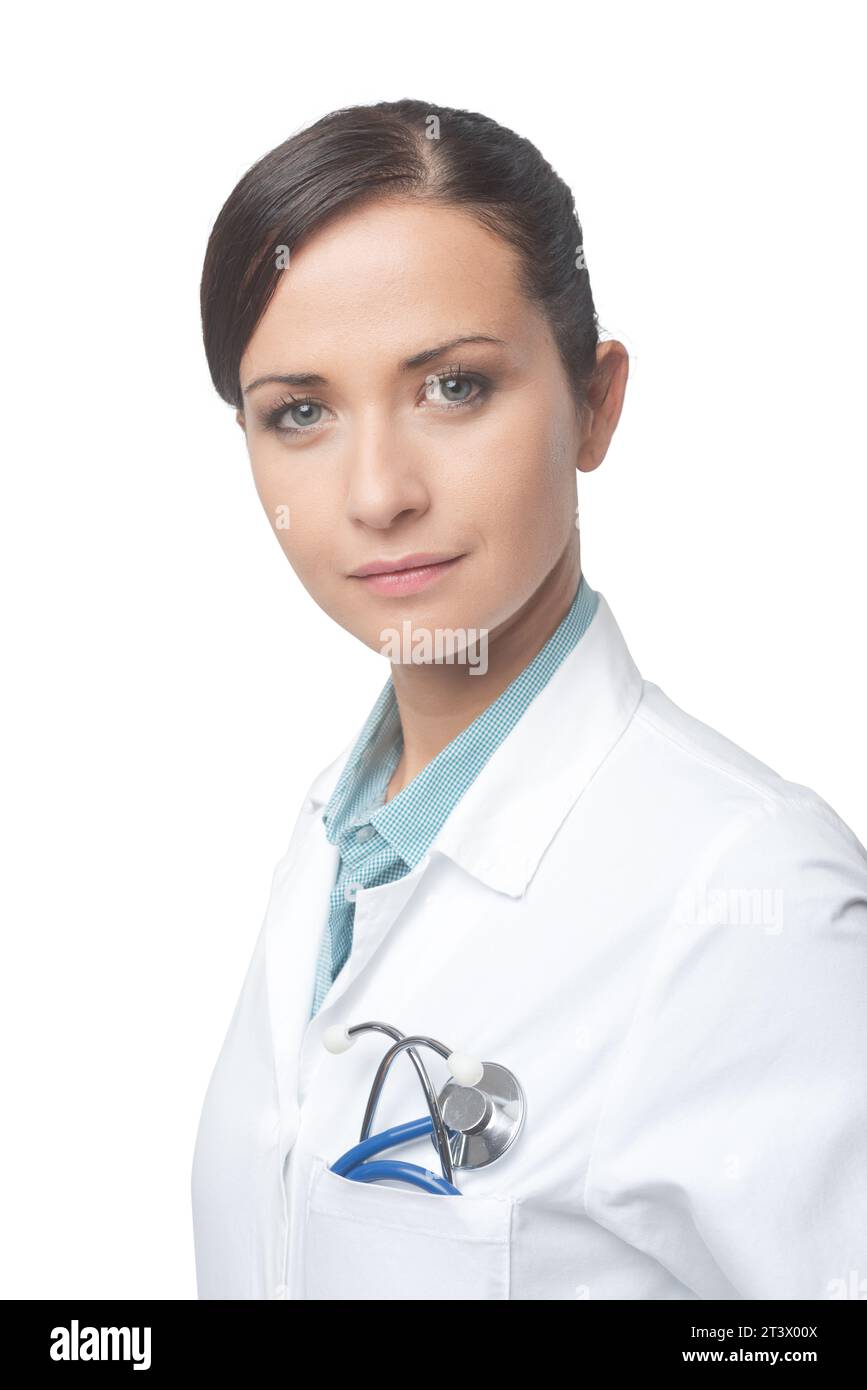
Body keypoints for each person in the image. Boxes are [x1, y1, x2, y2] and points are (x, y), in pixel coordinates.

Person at [191, 98, 867, 1300]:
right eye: (300, 411)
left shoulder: (746, 900)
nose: (379, 491)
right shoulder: (334, 845)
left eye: (453, 387)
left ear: (595, 401)